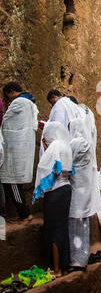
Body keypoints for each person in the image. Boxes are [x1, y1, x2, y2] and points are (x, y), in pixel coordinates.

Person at [33, 122, 74, 277]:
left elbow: (52, 168)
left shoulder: (55, 146)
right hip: (66, 188)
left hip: (55, 191)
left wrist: (40, 188)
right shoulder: (66, 146)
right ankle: (64, 265)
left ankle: (56, 269)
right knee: (62, 227)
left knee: (53, 229)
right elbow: (70, 169)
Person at [0, 82, 39, 223]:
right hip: (22, 150)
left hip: (14, 150)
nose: (8, 100)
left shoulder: (19, 103)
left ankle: (25, 214)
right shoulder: (30, 103)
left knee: (12, 182)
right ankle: (24, 213)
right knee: (14, 183)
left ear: (11, 92)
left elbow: (6, 124)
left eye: (7, 96)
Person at [68, 119, 101, 271]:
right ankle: (83, 256)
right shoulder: (88, 144)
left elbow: (67, 163)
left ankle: (75, 260)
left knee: (74, 225)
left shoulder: (74, 143)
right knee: (84, 224)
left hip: (76, 190)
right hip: (86, 190)